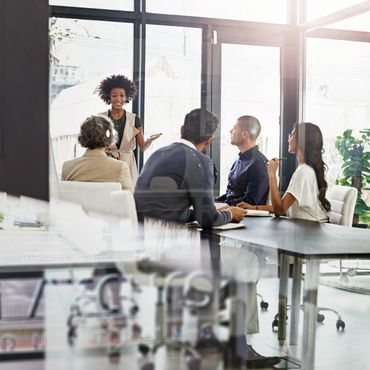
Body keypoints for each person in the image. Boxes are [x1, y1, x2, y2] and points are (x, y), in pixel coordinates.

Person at [134, 108, 245, 228]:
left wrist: (208, 212)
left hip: (139, 232)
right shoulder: (200, 161)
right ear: (209, 140)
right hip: (167, 238)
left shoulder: (158, 153)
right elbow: (208, 220)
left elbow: (163, 210)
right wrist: (229, 214)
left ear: (182, 129)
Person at [238, 122, 331, 221]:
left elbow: (280, 210)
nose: (288, 139)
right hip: (309, 227)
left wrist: (272, 174)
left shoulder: (303, 171)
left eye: (291, 135)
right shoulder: (306, 169)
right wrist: (253, 208)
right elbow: (285, 207)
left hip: (311, 231)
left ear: (300, 141)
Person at [98, 74, 161, 184]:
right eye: (114, 96)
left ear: (127, 97)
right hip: (107, 162)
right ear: (109, 97)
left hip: (127, 163)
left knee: (127, 194)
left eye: (122, 95)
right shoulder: (101, 118)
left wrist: (149, 141)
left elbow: (142, 147)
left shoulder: (134, 119)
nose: (118, 99)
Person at [62, 115, 133, 191]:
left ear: (82, 137)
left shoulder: (67, 167)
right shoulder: (121, 168)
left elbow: (63, 200)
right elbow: (128, 201)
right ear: (110, 137)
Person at [215, 115, 269, 206]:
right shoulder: (237, 161)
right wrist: (212, 203)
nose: (230, 131)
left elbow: (251, 201)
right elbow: (230, 196)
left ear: (244, 134)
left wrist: (223, 206)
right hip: (231, 211)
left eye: (234, 128)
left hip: (246, 217)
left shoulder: (259, 164)